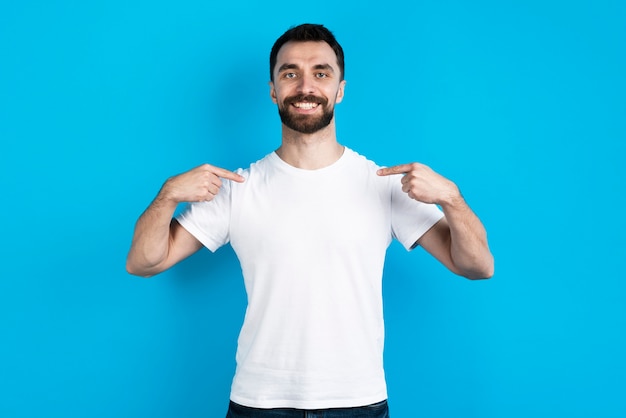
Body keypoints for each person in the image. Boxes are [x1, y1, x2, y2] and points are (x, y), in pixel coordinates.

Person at [126, 23, 493, 418]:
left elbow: (476, 266)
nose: (305, 86)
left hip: (357, 403)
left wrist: (451, 199)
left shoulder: (383, 185)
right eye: (290, 73)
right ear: (273, 90)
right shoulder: (238, 188)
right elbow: (144, 262)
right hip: (258, 403)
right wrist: (168, 196)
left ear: (340, 89)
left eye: (321, 73)